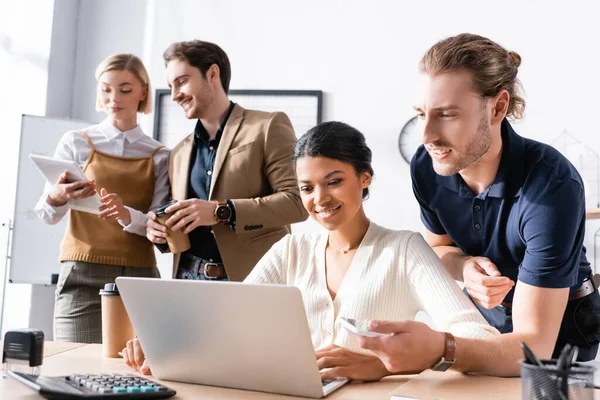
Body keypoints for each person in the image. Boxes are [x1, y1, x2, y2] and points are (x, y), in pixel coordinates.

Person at [124, 121, 499, 380]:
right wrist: (164, 340)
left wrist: (388, 364)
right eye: (306, 188)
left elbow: (479, 339)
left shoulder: (403, 250)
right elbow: (226, 315)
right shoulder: (291, 249)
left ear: (364, 178)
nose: (319, 199)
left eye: (333, 182)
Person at [352, 33, 600, 376]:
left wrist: (439, 349)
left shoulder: (551, 185)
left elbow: (535, 345)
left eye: (447, 115)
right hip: (484, 325)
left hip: (560, 343)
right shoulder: (427, 165)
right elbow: (439, 247)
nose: (426, 136)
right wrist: (464, 266)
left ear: (498, 106)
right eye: (421, 114)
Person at [145, 40, 307, 282]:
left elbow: (297, 202)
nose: (174, 95)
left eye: (181, 81)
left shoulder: (267, 126)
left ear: (212, 73)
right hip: (188, 278)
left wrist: (222, 211)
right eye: (170, 86)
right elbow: (186, 224)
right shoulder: (178, 153)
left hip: (253, 279)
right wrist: (159, 230)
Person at [35, 54, 169, 343]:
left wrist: (124, 213)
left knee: (139, 374)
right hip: (81, 272)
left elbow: (156, 224)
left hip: (139, 276)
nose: (113, 98)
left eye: (125, 89)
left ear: (143, 91)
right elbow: (45, 214)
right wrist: (57, 196)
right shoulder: (76, 141)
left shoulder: (160, 155)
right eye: (105, 89)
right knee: (75, 366)